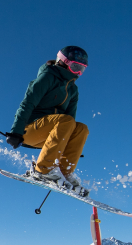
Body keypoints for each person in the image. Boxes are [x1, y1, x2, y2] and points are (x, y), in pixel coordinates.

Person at [5, 46, 91, 196]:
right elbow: (27, 103)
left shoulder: (73, 90)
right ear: (63, 62)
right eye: (76, 67)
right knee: (66, 121)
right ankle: (43, 169)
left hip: (51, 134)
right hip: (29, 129)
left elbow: (72, 122)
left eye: (82, 70)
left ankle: (63, 172)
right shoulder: (47, 77)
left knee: (81, 128)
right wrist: (16, 131)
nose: (78, 73)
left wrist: (70, 144)